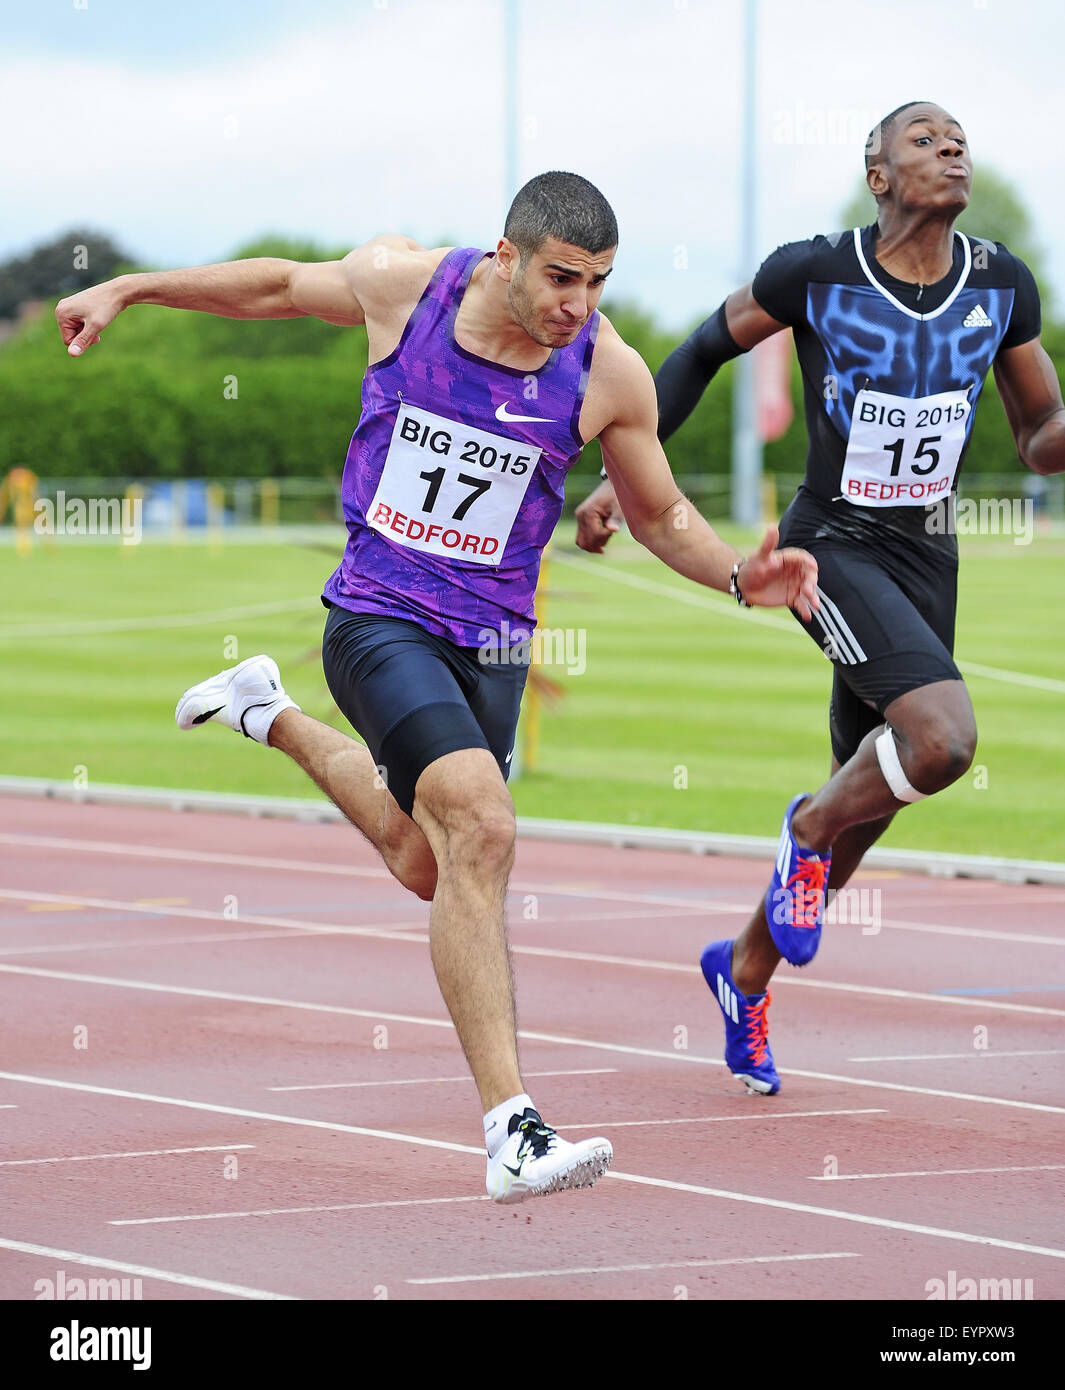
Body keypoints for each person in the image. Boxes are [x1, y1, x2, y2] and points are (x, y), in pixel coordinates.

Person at [56, 171, 819, 1197]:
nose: (576, 305)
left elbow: (658, 511)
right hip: (379, 614)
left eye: (596, 284)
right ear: (507, 256)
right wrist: (133, 289)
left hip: (494, 644)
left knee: (431, 860)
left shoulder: (607, 372)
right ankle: (513, 1129)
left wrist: (736, 574)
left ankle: (264, 709)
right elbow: (278, 286)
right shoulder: (402, 287)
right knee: (487, 827)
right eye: (559, 278)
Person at [576, 105, 1065, 1095]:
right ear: (879, 176)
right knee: (941, 742)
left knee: (874, 796)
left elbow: (1040, 428)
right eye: (925, 140)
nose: (953, 149)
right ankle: (801, 829)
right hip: (829, 544)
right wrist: (627, 477)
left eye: (960, 138)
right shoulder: (817, 272)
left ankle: (743, 971)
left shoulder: (1001, 286)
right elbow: (704, 349)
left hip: (929, 553)